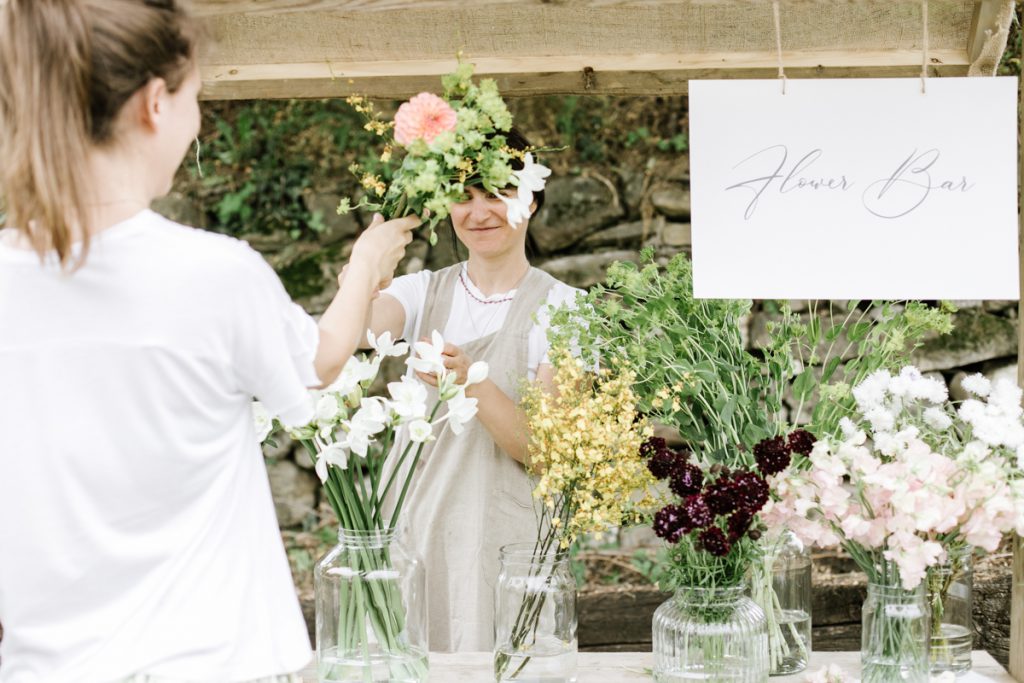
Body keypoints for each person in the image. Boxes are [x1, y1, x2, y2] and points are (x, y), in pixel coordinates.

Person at [0, 1, 418, 681]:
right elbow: (321, 360)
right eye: (197, 96)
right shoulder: (214, 274)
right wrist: (368, 263)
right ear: (155, 103)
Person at [362, 128, 582, 652]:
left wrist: (468, 382)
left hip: (502, 537)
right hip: (413, 522)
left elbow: (542, 450)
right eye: (462, 195)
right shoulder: (419, 292)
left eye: (495, 193)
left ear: (528, 199)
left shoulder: (566, 309)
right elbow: (345, 337)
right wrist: (369, 261)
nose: (477, 211)